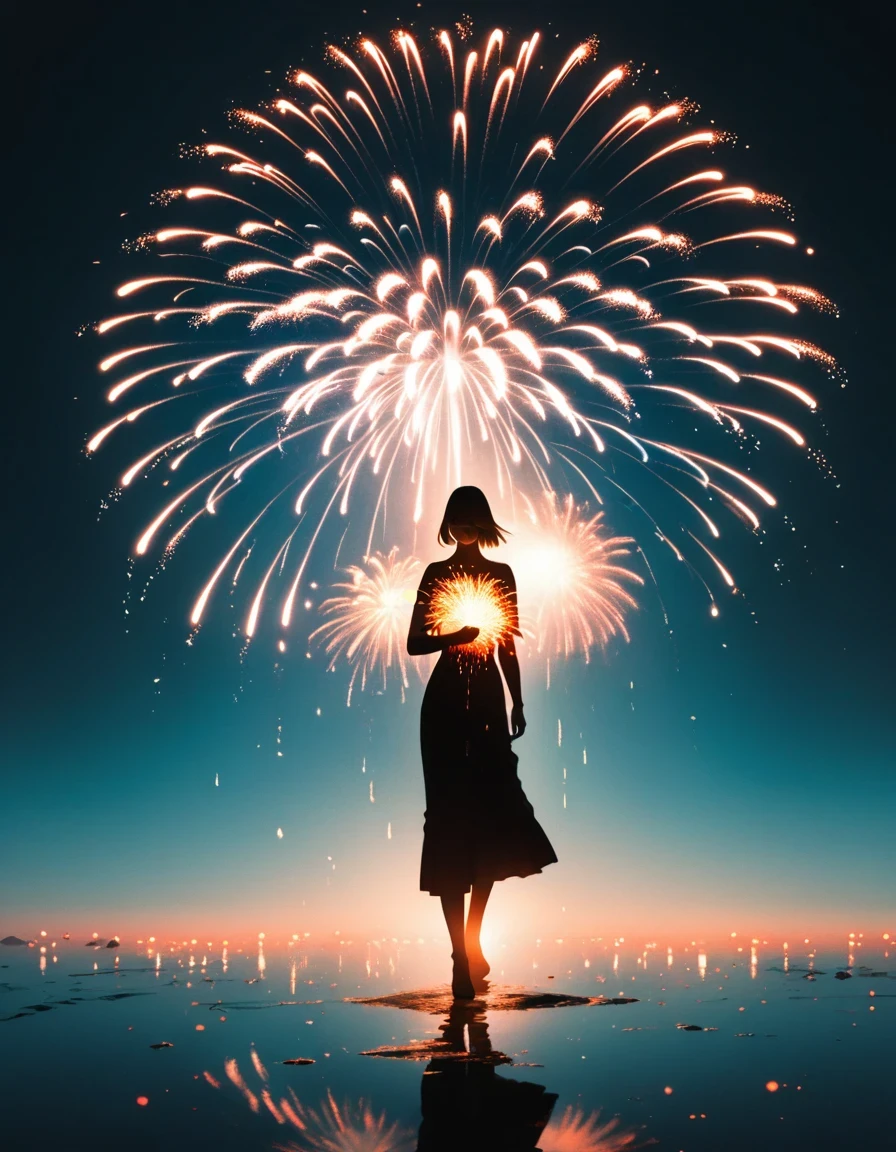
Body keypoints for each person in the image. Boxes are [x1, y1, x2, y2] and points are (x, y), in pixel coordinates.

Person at [406, 485, 558, 999]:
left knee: (492, 814)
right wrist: (458, 634)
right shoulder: (435, 574)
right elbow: (414, 642)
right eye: (459, 517)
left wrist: (518, 700)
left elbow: (509, 644)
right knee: (447, 819)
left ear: (484, 522)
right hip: (445, 701)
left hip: (489, 699)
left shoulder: (502, 574)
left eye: (475, 517)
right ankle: (458, 957)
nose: (467, 526)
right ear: (450, 522)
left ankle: (472, 943)